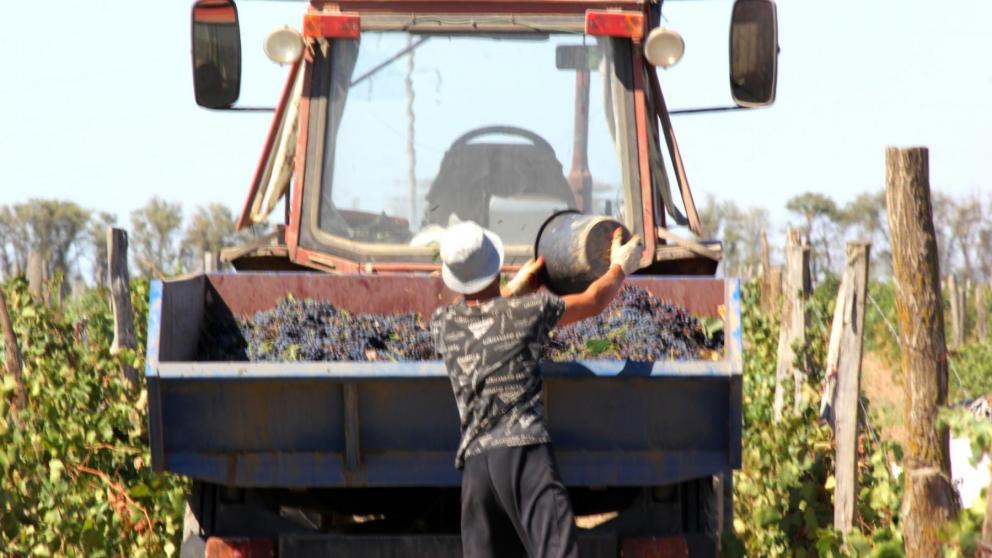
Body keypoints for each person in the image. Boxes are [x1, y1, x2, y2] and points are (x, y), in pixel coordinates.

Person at [430, 221, 642, 558]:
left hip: (476, 471)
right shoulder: (531, 312)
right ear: (494, 265)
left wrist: (514, 289)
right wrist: (620, 265)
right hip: (524, 458)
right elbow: (594, 299)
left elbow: (485, 315)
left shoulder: (443, 323)